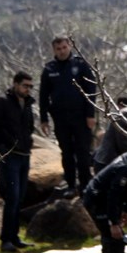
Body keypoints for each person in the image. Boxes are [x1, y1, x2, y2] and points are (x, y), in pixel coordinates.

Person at [39, 35, 97, 194]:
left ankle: (86, 185)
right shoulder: (49, 69)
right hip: (60, 118)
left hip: (81, 116)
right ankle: (71, 185)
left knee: (83, 152)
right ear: (54, 50)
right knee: (67, 153)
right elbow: (43, 96)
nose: (62, 51)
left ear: (70, 46)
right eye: (58, 49)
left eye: (64, 47)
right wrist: (44, 119)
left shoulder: (80, 65)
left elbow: (91, 90)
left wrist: (90, 114)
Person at [0, 71, 36, 253]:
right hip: (9, 155)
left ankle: (14, 237)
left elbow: (29, 127)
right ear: (15, 84)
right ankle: (5, 239)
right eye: (25, 85)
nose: (28, 89)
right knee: (12, 196)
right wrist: (0, 148)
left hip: (24, 154)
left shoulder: (28, 104)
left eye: (30, 86)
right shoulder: (3, 103)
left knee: (20, 196)